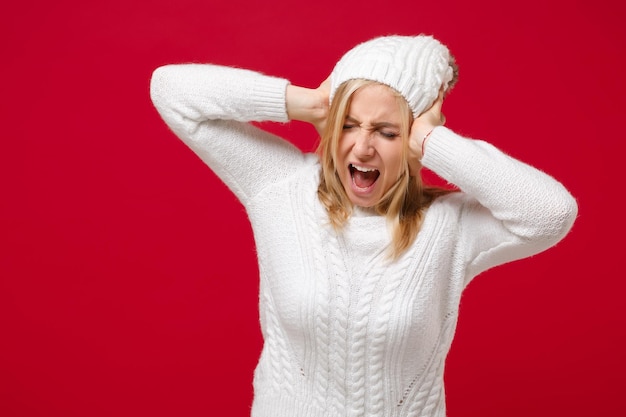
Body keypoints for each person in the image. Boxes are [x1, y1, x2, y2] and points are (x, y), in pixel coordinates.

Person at [150, 35, 577, 417]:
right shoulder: (281, 187)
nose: (363, 146)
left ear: (411, 141)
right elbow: (171, 91)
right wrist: (310, 103)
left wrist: (433, 141)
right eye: (349, 125)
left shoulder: (450, 225)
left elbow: (551, 213)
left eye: (387, 132)